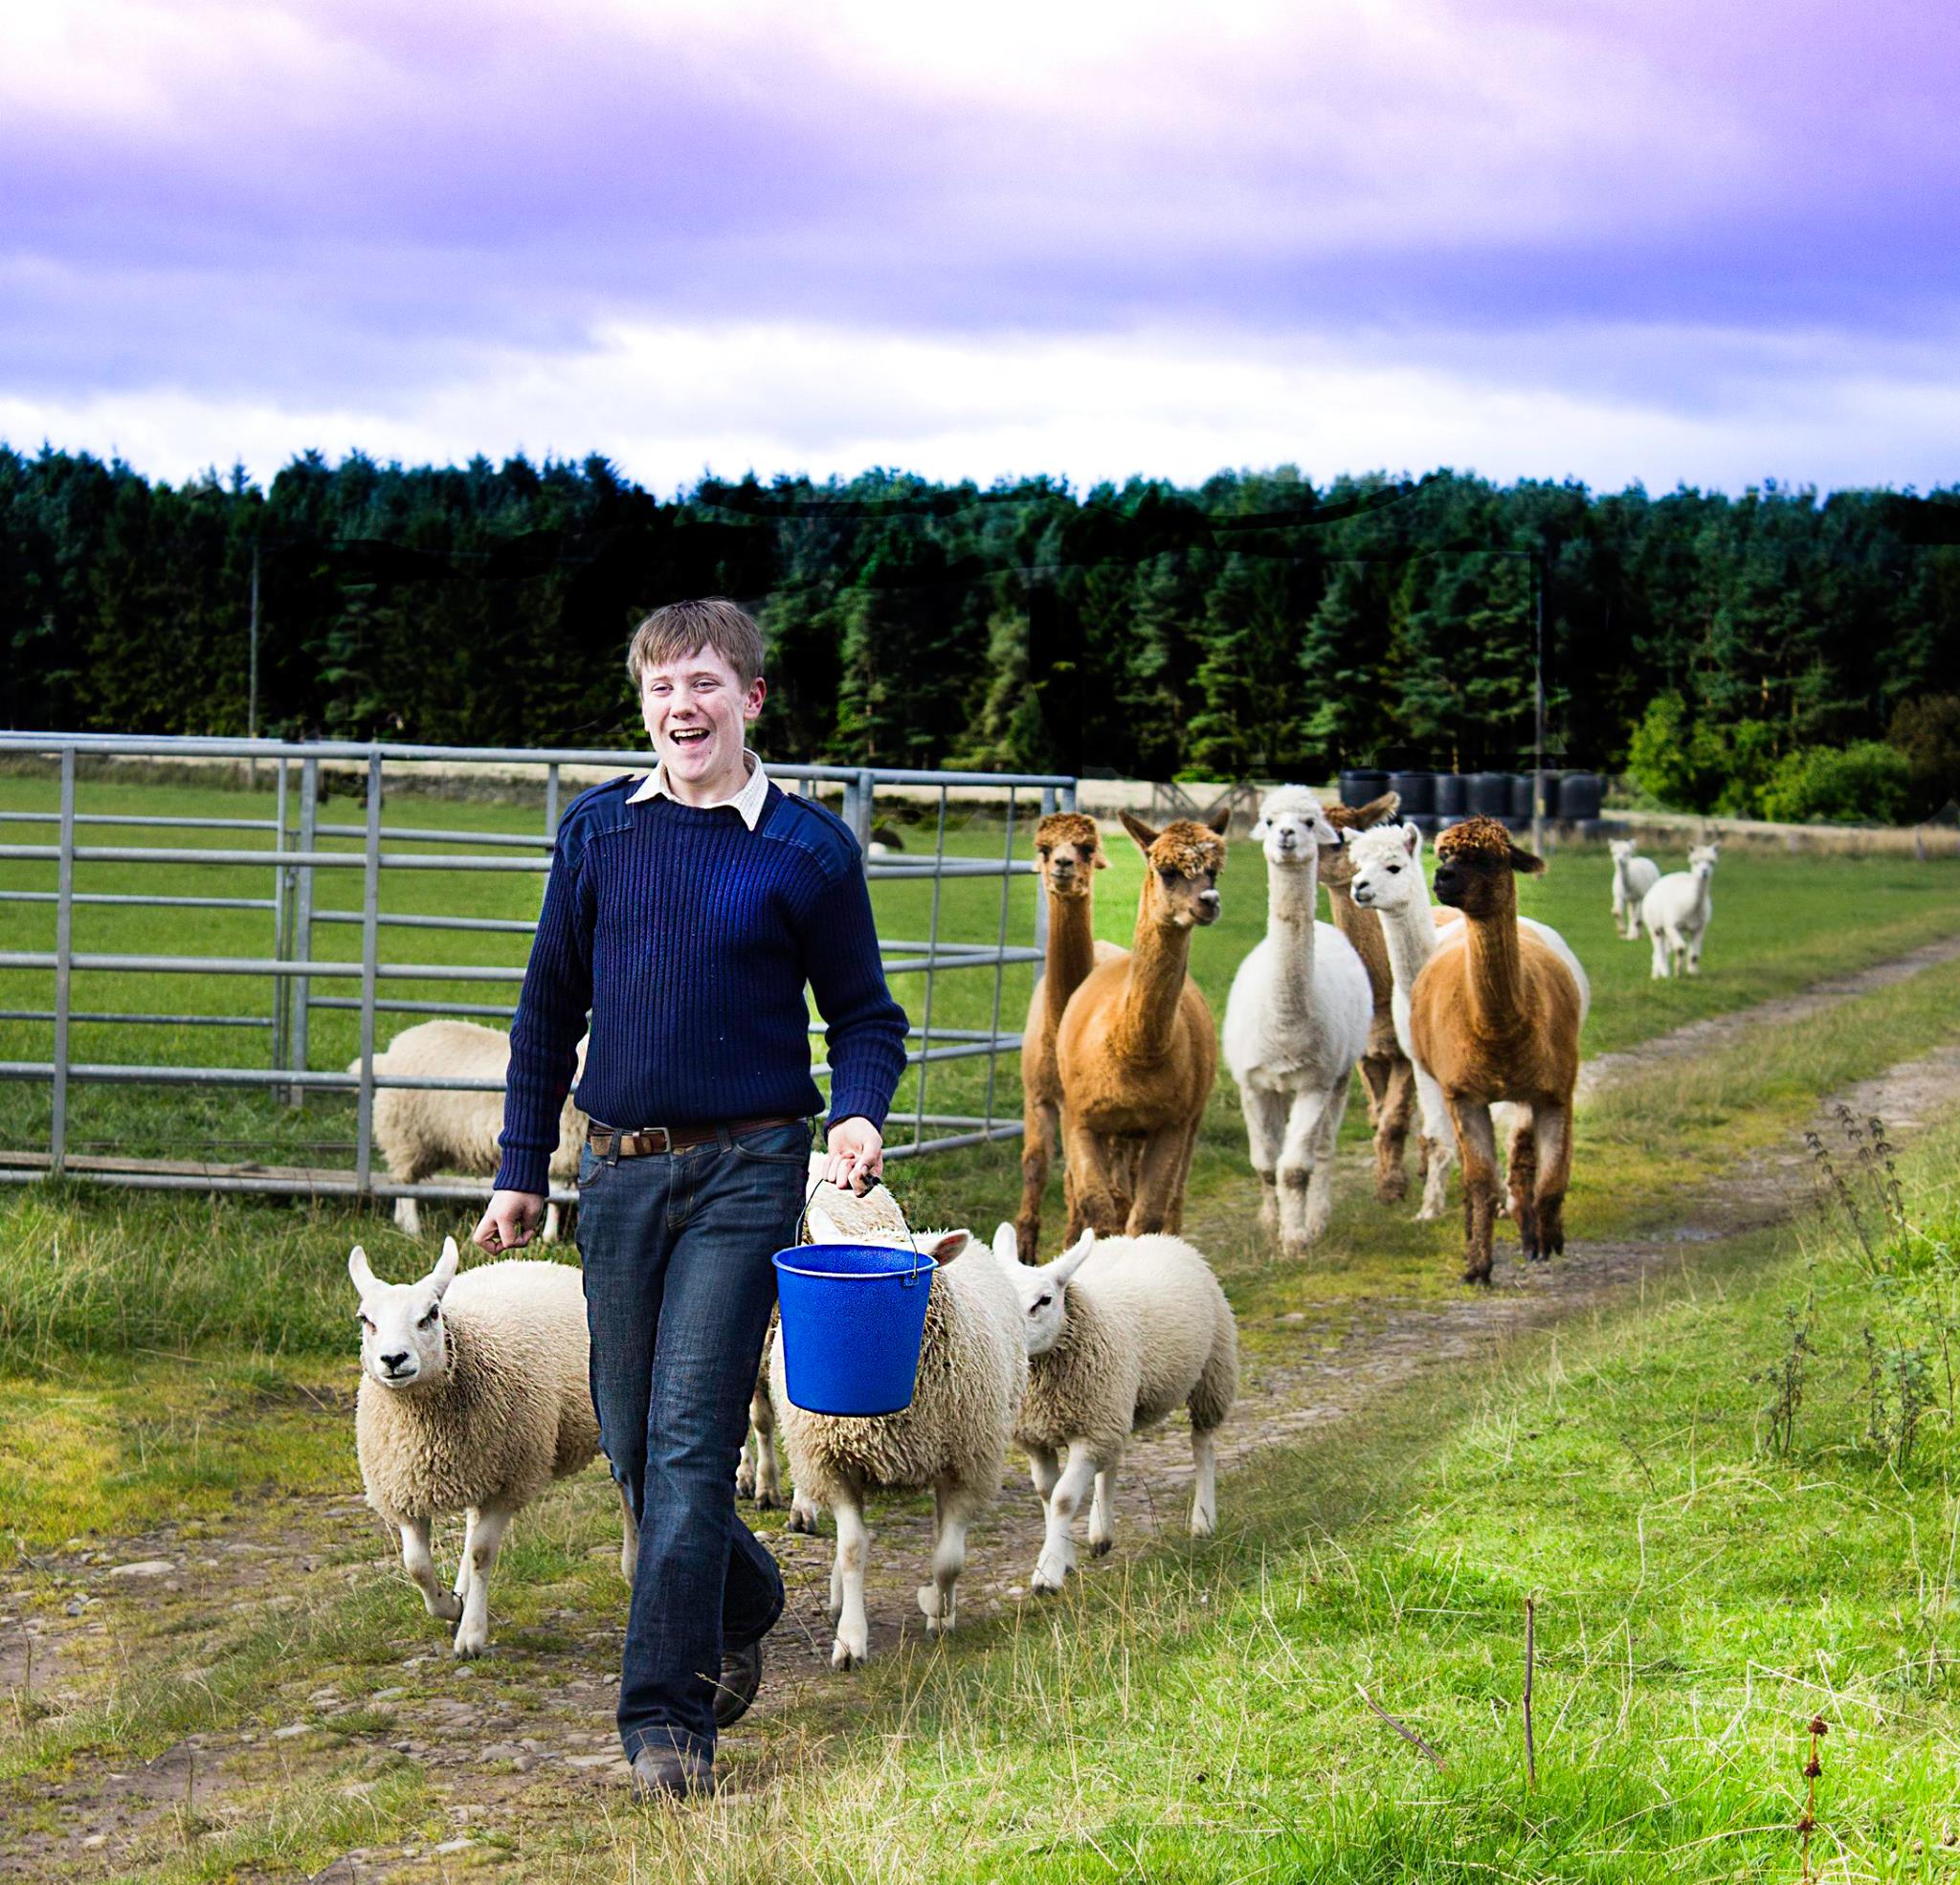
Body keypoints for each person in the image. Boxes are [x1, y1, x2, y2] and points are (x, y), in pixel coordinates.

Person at [472, 597, 909, 1799]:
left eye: (706, 682)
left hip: (747, 1165)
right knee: (627, 1439)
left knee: (688, 1442)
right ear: (644, 703)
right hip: (617, 1168)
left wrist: (857, 1110)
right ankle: (748, 1592)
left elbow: (865, 1016)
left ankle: (666, 1720)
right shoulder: (598, 832)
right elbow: (545, 1010)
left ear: (750, 698)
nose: (683, 705)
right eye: (662, 685)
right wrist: (521, 1164)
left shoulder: (806, 850)